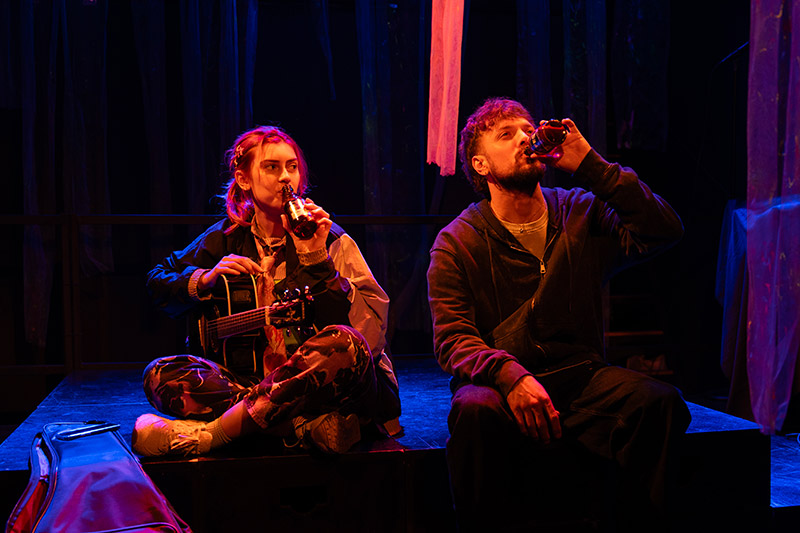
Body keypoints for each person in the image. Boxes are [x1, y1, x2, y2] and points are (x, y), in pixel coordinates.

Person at [426, 97, 691, 531]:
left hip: (579, 377)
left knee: (658, 403)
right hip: (501, 386)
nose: (525, 138)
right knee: (474, 409)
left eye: (526, 129)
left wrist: (592, 165)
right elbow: (453, 339)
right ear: (480, 164)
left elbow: (664, 230)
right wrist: (511, 376)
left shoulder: (579, 211)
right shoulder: (458, 241)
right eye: (506, 134)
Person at [132, 125, 400, 457]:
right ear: (243, 179)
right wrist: (204, 279)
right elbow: (157, 280)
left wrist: (317, 261)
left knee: (342, 344)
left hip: (322, 389)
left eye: (292, 167)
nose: (285, 177)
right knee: (160, 375)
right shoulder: (225, 238)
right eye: (272, 167)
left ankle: (214, 433)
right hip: (251, 382)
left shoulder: (329, 238)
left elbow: (368, 338)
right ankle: (302, 428)